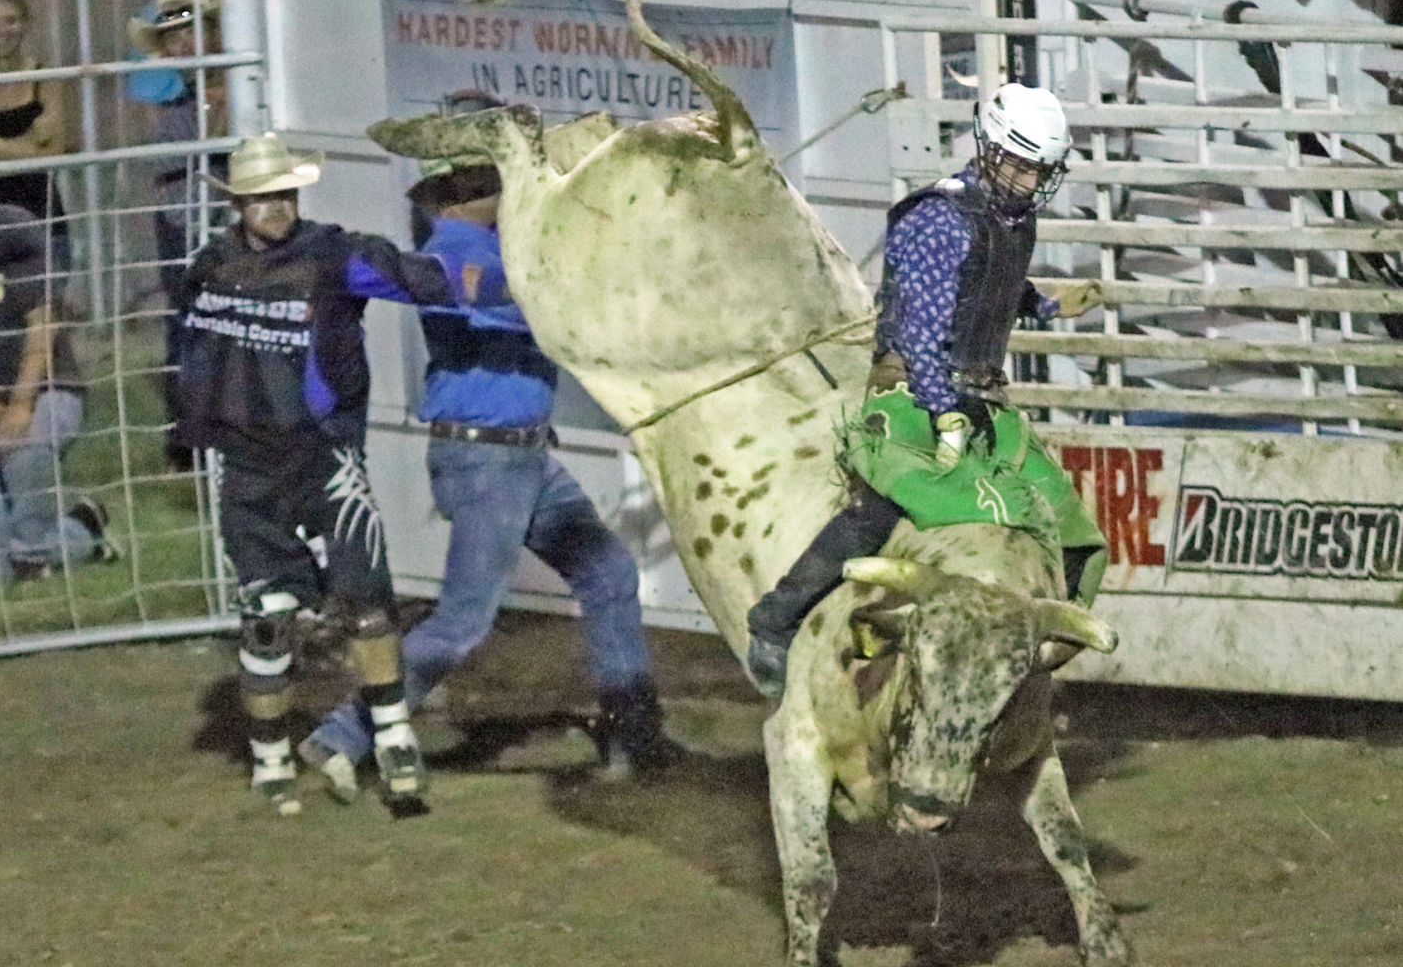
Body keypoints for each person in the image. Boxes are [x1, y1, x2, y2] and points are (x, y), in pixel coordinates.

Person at [298, 156, 672, 800]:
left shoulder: (480, 249)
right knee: (463, 621)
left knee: (606, 572)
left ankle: (634, 732)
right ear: (469, 198)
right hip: (489, 462)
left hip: (515, 457)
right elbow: (526, 303)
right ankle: (344, 735)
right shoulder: (453, 258)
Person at [746, 82, 1107, 698]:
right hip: (913, 391)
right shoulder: (939, 219)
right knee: (884, 507)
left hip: (981, 398)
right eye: (1019, 164)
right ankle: (776, 620)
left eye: (1039, 170)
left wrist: (1045, 304)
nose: (1028, 179)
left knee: (1067, 522)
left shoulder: (1010, 219)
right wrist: (943, 413)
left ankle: (1033, 647)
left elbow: (988, 287)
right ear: (990, 151)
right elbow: (923, 331)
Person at [177, 131, 492, 817]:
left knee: (368, 606)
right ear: (239, 203)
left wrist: (504, 281)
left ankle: (394, 738)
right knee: (266, 619)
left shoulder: (336, 255)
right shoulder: (210, 267)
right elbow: (197, 360)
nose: (277, 206)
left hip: (326, 460)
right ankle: (269, 758)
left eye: (285, 193)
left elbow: (426, 281)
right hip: (250, 466)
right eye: (264, 196)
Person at [127, 0, 228, 471]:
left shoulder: (236, 85)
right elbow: (166, 156)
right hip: (183, 221)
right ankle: (189, 432)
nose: (184, 43)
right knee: (185, 322)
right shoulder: (174, 105)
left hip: (221, 219)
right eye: (173, 37)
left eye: (192, 30)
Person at [0, 203, 116, 582]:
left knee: (26, 457)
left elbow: (41, 329)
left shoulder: (12, 230)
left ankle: (39, 553)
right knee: (2, 563)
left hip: (48, 388)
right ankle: (84, 530)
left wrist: (18, 406)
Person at [0, 0, 71, 270]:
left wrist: (2, 148)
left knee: (46, 303)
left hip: (41, 211)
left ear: (26, 24)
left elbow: (56, 151)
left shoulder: (44, 79)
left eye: (11, 20)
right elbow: (43, 152)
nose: (3, 30)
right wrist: (31, 148)